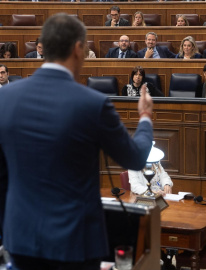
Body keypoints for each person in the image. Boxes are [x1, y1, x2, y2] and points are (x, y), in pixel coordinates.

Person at [0, 13, 153, 270]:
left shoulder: (4, 99)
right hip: (75, 242)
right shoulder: (93, 104)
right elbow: (136, 158)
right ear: (78, 49)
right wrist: (146, 117)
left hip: (20, 238)